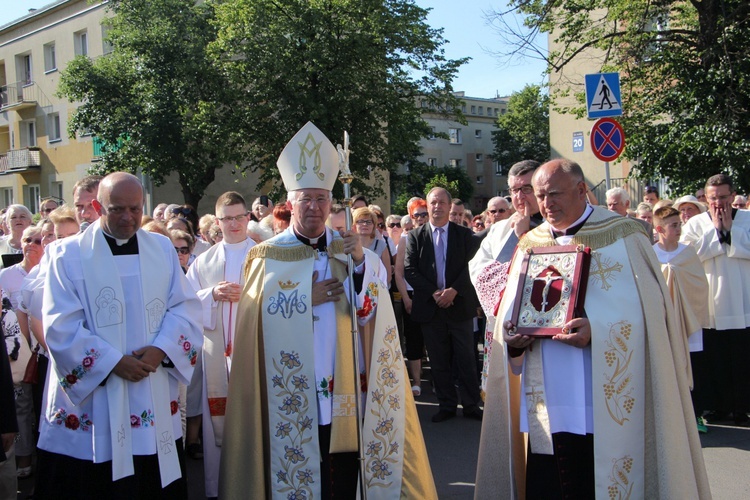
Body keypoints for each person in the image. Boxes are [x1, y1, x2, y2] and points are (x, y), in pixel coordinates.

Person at [219, 122, 435, 499]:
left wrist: (356, 264)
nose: (315, 208)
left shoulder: (352, 250)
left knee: (340, 474)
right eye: (306, 199)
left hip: (343, 379)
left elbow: (371, 313)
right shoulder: (265, 255)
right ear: (290, 203)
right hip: (288, 386)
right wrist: (305, 297)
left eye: (322, 199)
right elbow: (252, 322)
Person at [475, 159, 710, 499]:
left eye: (554, 194)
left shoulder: (624, 235)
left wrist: (596, 330)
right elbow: (511, 314)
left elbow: (651, 314)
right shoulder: (531, 243)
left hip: (604, 393)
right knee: (550, 481)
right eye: (540, 196)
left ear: (582, 190)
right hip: (545, 393)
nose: (546, 204)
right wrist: (511, 339)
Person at [35, 172, 203, 498]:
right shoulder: (66, 256)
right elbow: (60, 326)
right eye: (117, 209)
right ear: (98, 207)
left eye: (135, 209)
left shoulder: (162, 249)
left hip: (149, 385)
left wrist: (160, 350)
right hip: (96, 399)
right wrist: (113, 363)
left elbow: (185, 308)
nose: (128, 218)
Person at [186, 192, 256, 498]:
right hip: (216, 354)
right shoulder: (203, 262)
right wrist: (211, 294)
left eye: (240, 216)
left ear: (248, 218)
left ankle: (254, 483)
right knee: (220, 421)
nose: (235, 223)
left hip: (253, 352)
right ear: (218, 222)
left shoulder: (263, 255)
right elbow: (186, 304)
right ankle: (218, 488)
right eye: (228, 218)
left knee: (253, 420)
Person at [405, 187, 483, 423]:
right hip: (431, 308)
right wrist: (435, 293)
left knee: (466, 358)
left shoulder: (464, 235)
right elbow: (410, 270)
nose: (437, 206)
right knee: (438, 360)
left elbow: (473, 266)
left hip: (459, 306)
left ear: (450, 207)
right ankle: (447, 404)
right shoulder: (415, 236)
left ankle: (471, 404)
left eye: (441, 202)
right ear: (426, 207)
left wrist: (454, 291)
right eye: (432, 203)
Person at [681, 174, 750, 426]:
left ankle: (743, 408)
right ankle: (716, 407)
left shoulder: (748, 220)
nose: (718, 203)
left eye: (723, 197)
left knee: (742, 357)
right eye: (712, 198)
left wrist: (731, 232)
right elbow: (686, 256)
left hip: (744, 301)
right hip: (709, 302)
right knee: (715, 359)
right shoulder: (695, 225)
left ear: (732, 196)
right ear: (706, 199)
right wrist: (717, 233)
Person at [469, 160, 542, 394]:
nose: (519, 196)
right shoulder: (500, 229)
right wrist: (518, 238)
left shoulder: (556, 224)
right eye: (513, 190)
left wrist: (526, 237)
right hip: (507, 326)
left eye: (526, 189)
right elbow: (481, 274)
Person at [652, 206, 709, 432]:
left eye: (679, 224)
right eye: (674, 225)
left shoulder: (688, 252)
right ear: (659, 229)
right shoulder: (650, 253)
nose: (679, 228)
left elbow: (700, 284)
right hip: (663, 320)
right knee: (667, 367)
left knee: (695, 365)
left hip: (687, 319)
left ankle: (696, 416)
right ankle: (670, 419)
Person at [352, 206, 392, 287]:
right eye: (360, 221)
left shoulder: (381, 246)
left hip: (377, 292)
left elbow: (388, 275)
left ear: (374, 225)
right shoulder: (350, 246)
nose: (365, 224)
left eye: (369, 222)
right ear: (354, 225)